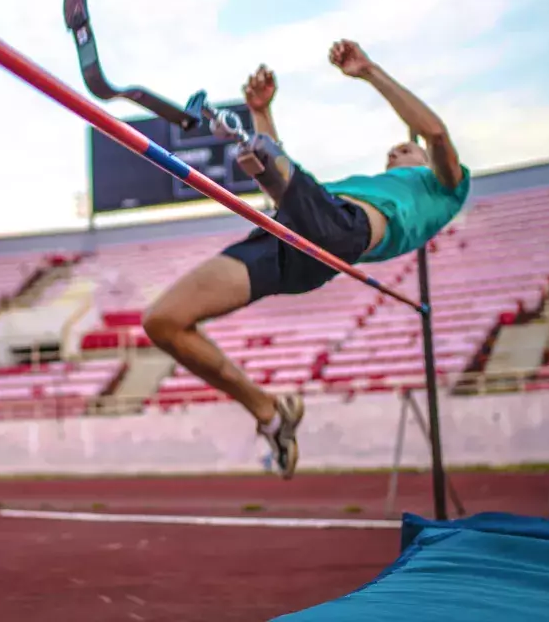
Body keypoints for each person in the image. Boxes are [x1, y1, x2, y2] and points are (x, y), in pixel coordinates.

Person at [142, 40, 470, 479]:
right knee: (163, 320)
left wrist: (368, 70)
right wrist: (262, 112)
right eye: (393, 150)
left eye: (404, 150)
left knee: (292, 184)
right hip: (289, 235)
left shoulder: (445, 186)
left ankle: (246, 142)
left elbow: (435, 133)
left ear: (424, 162)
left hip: (342, 231)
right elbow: (292, 197)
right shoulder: (353, 182)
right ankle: (269, 413)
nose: (395, 151)